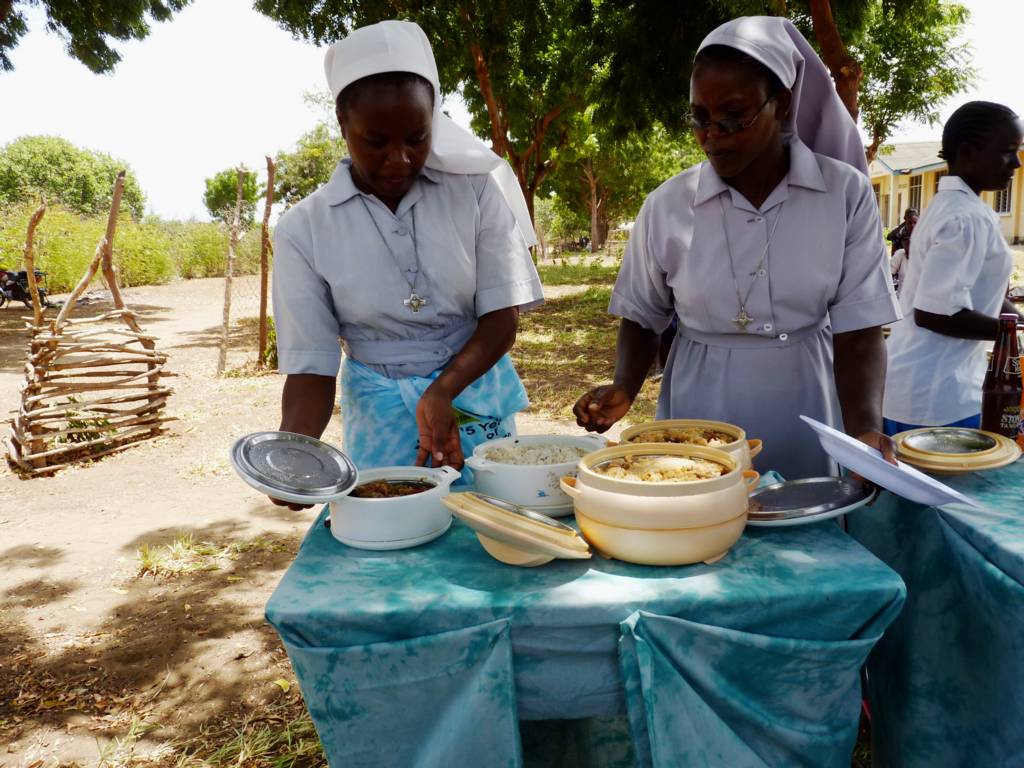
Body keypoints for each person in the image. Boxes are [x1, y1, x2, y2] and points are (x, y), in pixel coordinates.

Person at [573, 16, 900, 480]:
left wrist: (865, 429)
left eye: (733, 115)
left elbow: (860, 329)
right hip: (698, 407)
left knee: (800, 523)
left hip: (806, 399)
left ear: (781, 103)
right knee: (700, 524)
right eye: (699, 117)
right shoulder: (667, 204)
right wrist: (625, 385)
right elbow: (643, 316)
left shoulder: (843, 194)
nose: (713, 134)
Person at [271, 20, 544, 508]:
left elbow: (502, 317)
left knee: (496, 523)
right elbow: (311, 365)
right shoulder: (303, 229)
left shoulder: (477, 191)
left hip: (474, 391)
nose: (399, 160)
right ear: (342, 124)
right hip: (379, 414)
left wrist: (443, 391)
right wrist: (295, 457)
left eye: (417, 138)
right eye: (375, 142)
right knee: (394, 528)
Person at [883, 102, 1023, 434]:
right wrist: (1007, 335)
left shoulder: (957, 208)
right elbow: (933, 313)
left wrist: (1016, 321)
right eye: (1007, 152)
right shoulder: (964, 217)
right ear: (966, 151)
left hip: (927, 385)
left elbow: (979, 295)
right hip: (935, 395)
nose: (1017, 163)